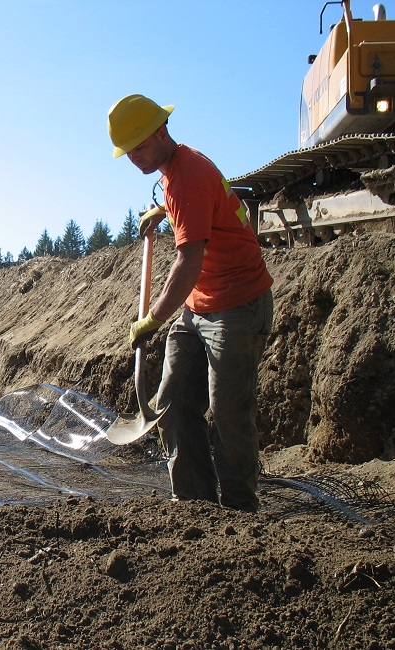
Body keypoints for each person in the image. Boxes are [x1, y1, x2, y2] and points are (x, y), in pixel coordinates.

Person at [108, 94, 274, 512]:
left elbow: (189, 260)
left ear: (161, 131)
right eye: (128, 153)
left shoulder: (188, 175)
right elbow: (195, 202)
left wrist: (153, 320)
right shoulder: (174, 172)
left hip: (238, 304)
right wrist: (165, 209)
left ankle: (240, 514)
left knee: (228, 414)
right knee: (175, 401)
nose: (135, 159)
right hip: (200, 306)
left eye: (140, 148)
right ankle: (195, 508)